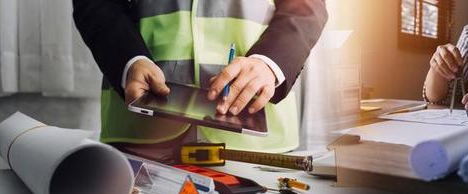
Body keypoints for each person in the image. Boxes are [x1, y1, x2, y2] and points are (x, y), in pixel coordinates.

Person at [73, 0, 327, 163]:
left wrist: (269, 63)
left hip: (254, 135)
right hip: (141, 126)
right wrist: (128, 60)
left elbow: (307, 6)